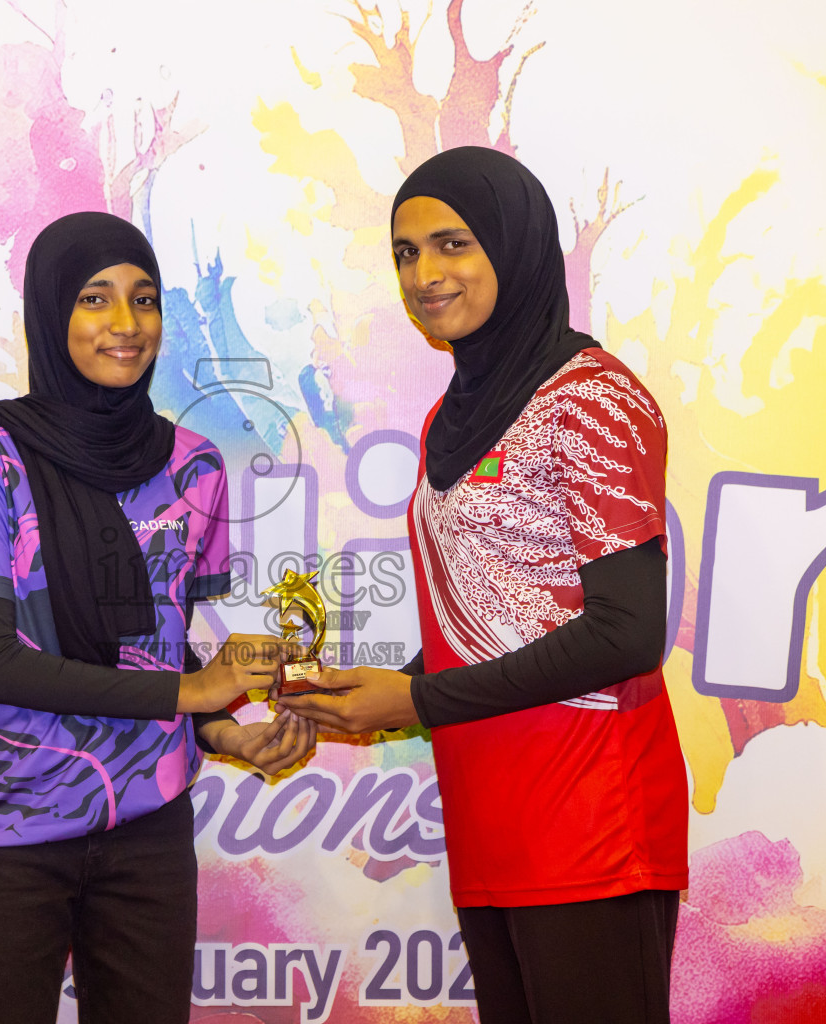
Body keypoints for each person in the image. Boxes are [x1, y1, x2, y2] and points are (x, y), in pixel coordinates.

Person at [280, 147, 688, 1024]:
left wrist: (421, 697)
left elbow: (624, 633)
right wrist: (378, 696)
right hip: (490, 818)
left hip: (592, 821)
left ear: (513, 244)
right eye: (405, 253)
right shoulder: (450, 415)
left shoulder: (593, 399)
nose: (425, 274)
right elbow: (492, 615)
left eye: (452, 244)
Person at [0, 211, 316, 1023]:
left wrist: (225, 732)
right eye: (95, 299)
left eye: (143, 300)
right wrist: (194, 697)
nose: (125, 325)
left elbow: (154, 659)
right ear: (51, 310)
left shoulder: (194, 466)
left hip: (148, 832)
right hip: (10, 831)